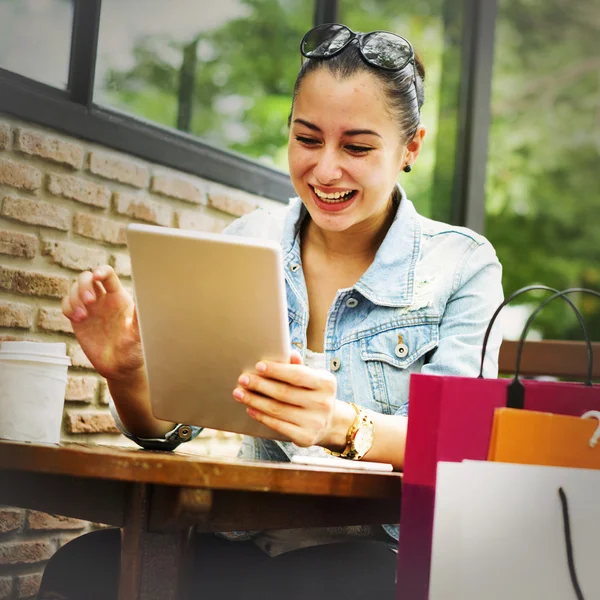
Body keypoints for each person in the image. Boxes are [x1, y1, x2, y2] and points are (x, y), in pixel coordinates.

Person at [38, 23, 503, 600]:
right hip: (248, 542)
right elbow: (168, 431)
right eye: (307, 139)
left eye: (356, 147)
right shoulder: (250, 240)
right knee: (79, 569)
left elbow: (460, 443)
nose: (326, 170)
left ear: (410, 148)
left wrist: (341, 425)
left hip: (384, 557)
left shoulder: (462, 264)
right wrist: (130, 374)